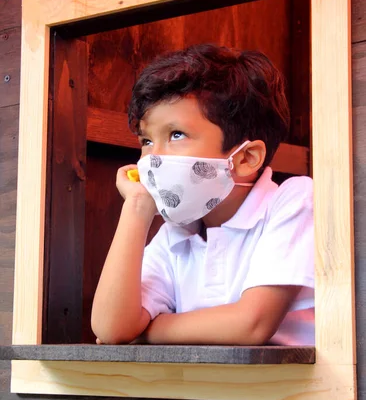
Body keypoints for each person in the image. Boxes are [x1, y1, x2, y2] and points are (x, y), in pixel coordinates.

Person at [91, 44, 314, 346]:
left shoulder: (294, 199)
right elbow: (111, 328)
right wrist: (136, 207)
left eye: (176, 135)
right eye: (146, 140)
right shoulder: (176, 234)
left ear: (246, 158)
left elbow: (251, 325)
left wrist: (146, 331)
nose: (151, 159)